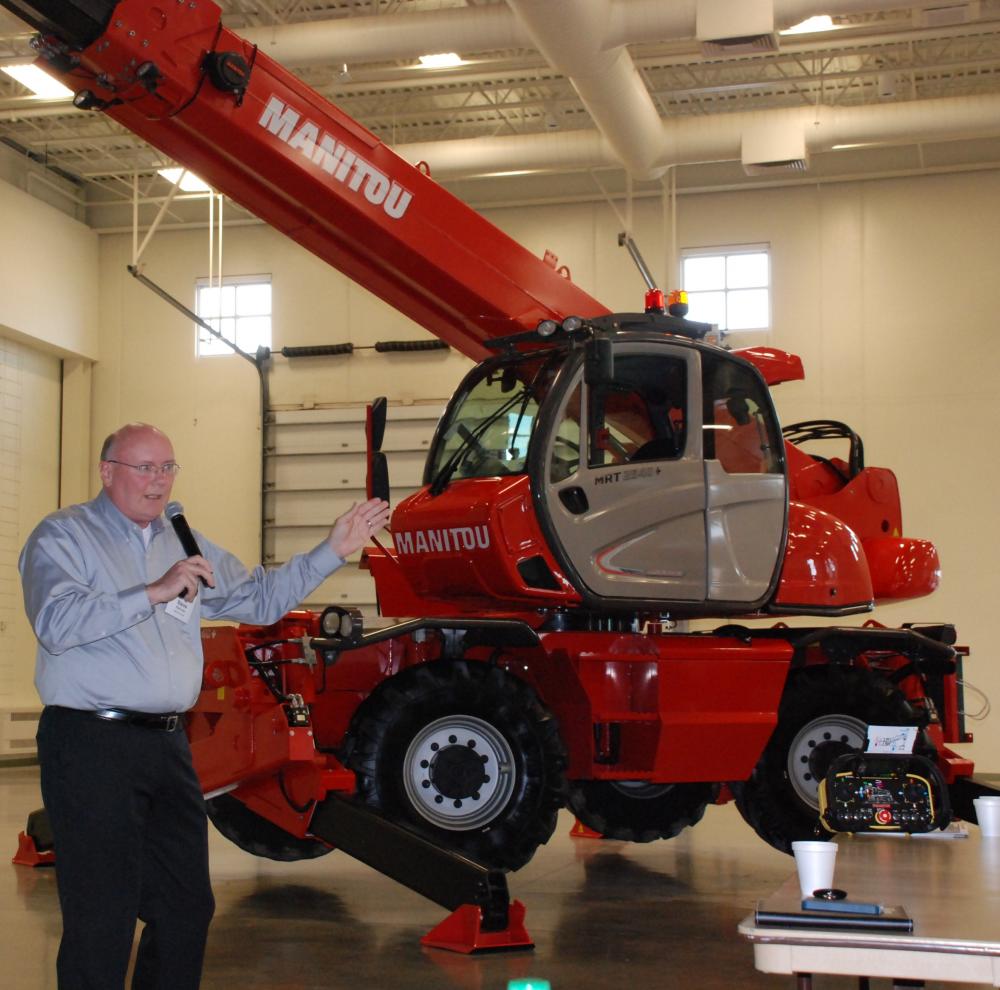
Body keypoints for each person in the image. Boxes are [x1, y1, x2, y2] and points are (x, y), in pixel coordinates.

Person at [19, 422, 390, 990]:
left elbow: (260, 599)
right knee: (103, 916)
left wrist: (330, 552)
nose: (158, 481)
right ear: (107, 471)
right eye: (144, 468)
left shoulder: (182, 539)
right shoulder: (64, 536)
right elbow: (57, 622)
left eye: (167, 468)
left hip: (168, 743)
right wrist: (155, 591)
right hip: (91, 742)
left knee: (186, 906)